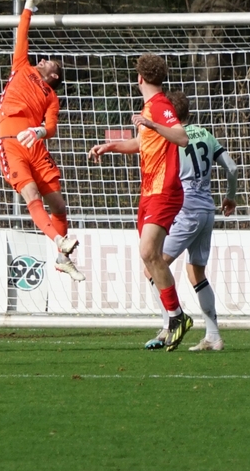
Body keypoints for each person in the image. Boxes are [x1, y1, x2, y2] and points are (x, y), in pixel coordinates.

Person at [88, 54, 193, 351]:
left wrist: (152, 123)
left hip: (165, 189)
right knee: (150, 258)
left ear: (140, 79)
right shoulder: (150, 108)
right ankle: (174, 317)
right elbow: (140, 144)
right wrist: (110, 146)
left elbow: (182, 138)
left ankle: (175, 318)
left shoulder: (159, 105)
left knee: (148, 251)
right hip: (148, 191)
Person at [0, 0, 83, 281]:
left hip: (36, 146)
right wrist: (29, 2)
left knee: (59, 205)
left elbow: (51, 126)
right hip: (12, 142)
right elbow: (22, 32)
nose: (42, 60)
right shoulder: (21, 67)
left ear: (54, 75)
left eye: (48, 62)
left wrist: (40, 133)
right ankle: (59, 242)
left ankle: (62, 258)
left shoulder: (51, 96)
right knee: (30, 193)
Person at [142, 90, 238, 352]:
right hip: (207, 210)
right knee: (195, 273)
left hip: (184, 209)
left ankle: (168, 326)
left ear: (170, 114)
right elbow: (232, 167)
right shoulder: (205, 134)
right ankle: (213, 336)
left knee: (152, 267)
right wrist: (229, 197)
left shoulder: (170, 137)